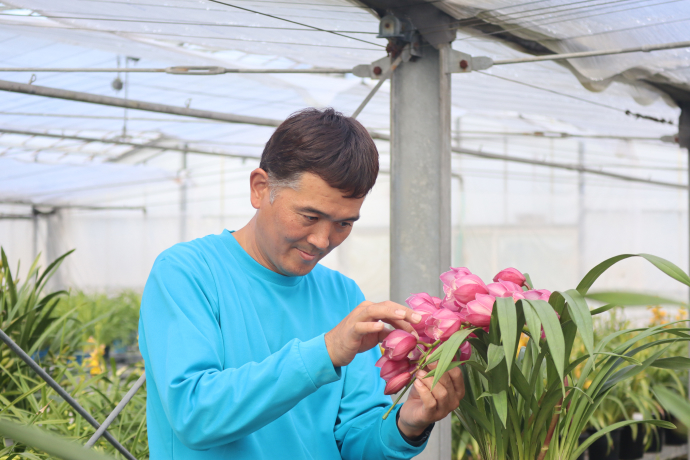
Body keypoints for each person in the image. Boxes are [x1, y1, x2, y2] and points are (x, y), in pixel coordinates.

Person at [138, 108, 465, 460]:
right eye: (309, 217)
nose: (322, 240)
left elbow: (355, 440)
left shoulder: (342, 295)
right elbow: (195, 416)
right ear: (260, 189)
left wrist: (407, 424)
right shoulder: (187, 273)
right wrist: (324, 352)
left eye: (344, 224)